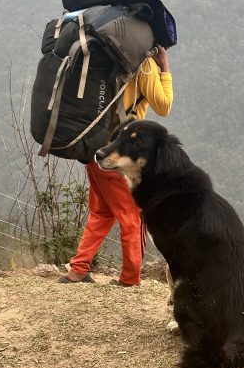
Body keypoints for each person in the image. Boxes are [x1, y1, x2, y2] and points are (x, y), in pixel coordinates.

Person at [58, 46, 173, 286]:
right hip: (117, 155)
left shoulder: (101, 59)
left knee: (102, 213)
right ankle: (130, 279)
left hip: (91, 149)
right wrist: (164, 67)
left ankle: (77, 270)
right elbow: (164, 106)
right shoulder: (144, 66)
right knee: (133, 217)